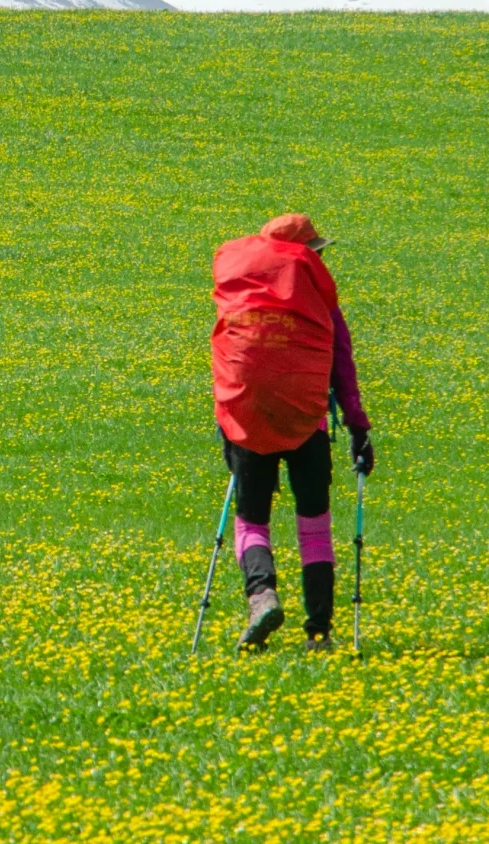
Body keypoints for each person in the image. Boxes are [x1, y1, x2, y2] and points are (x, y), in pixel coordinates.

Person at [210, 213, 374, 652]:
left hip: (247, 419)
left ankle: (261, 597)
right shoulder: (321, 306)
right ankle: (319, 631)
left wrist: (226, 422)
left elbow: (228, 356)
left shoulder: (243, 298)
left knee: (252, 521)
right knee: (315, 524)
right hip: (308, 423)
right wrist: (358, 427)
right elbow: (342, 365)